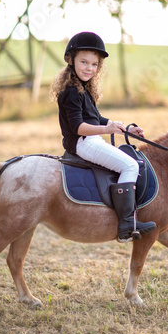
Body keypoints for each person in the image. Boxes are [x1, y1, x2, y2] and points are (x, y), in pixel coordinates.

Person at [51, 31, 156, 242]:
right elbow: (79, 127)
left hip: (91, 140)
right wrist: (108, 130)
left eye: (94, 64)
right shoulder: (72, 91)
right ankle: (127, 224)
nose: (89, 68)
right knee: (130, 166)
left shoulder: (83, 89)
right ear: (71, 60)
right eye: (84, 62)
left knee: (128, 163)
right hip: (83, 143)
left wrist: (125, 129)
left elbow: (97, 118)